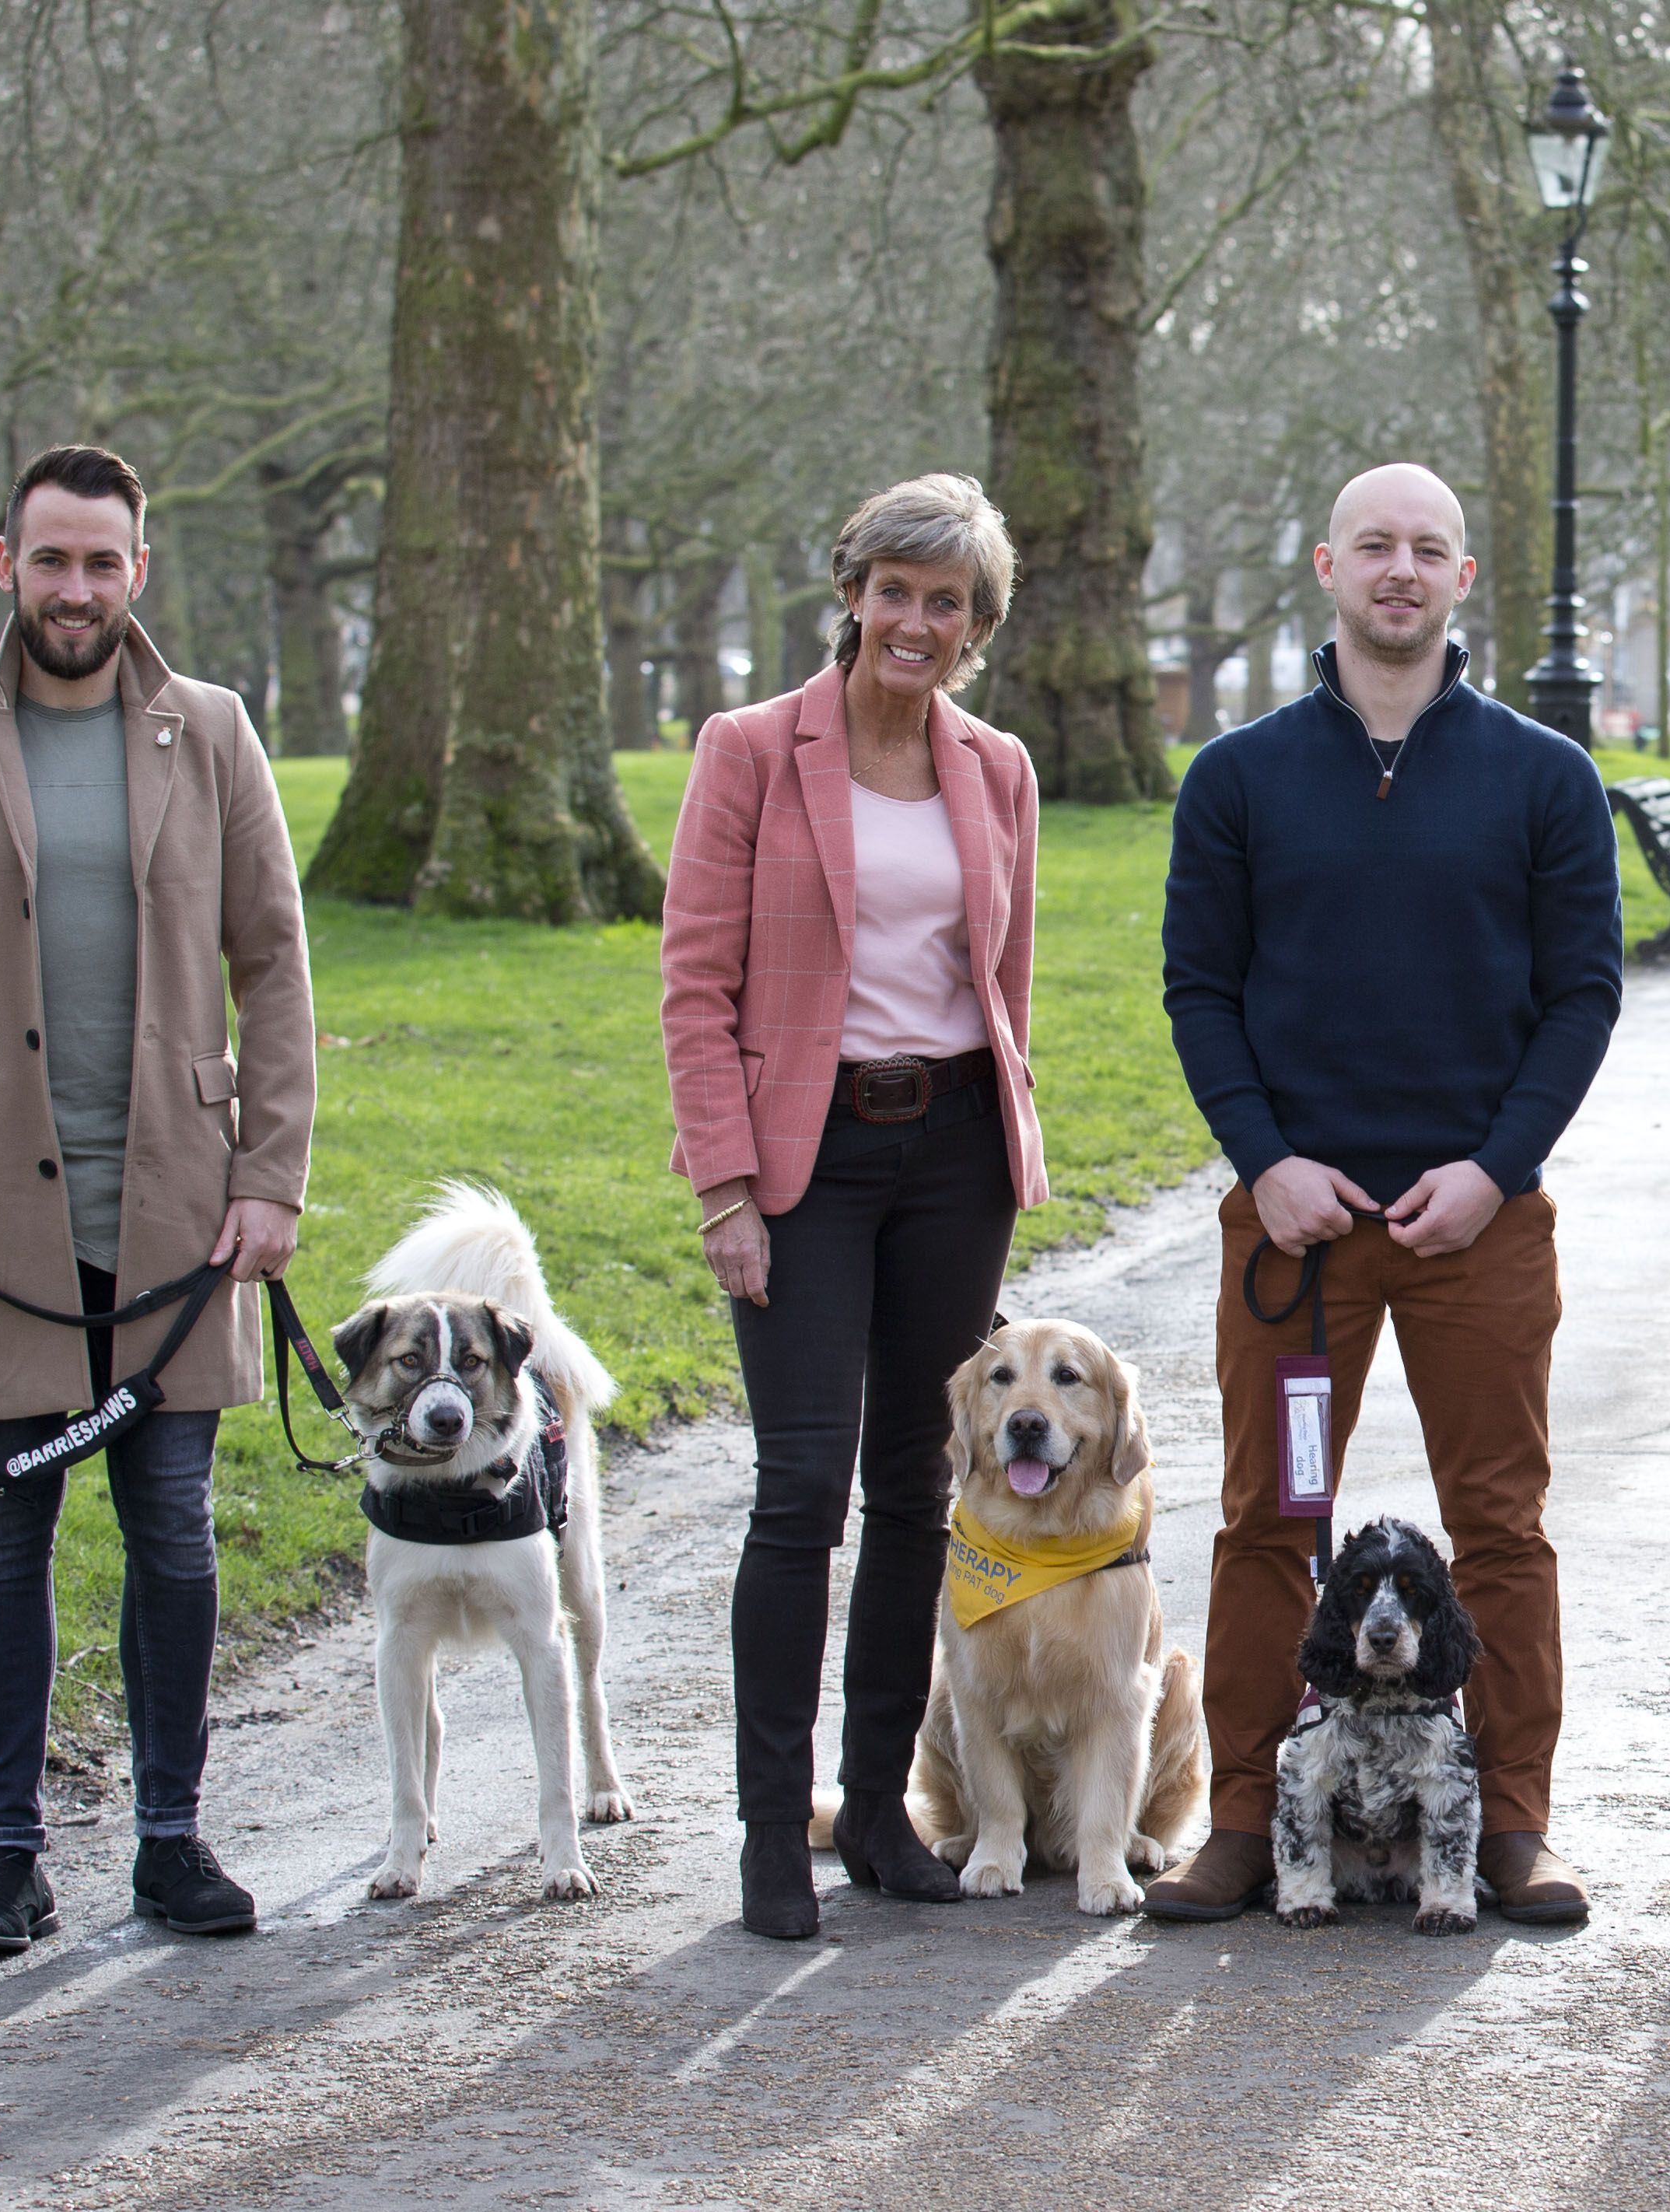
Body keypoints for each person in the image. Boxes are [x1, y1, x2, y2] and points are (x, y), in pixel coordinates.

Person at [0, 445, 314, 1962]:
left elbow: (275, 965)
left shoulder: (212, 734)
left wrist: (272, 1178)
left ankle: (172, 1841)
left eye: (103, 563)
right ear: (5, 566)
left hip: (173, 1208)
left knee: (172, 1531)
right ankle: (3, 1858)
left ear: (139, 572)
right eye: (52, 562)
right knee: (3, 1539)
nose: (77, 590)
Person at [1145, 462, 1623, 1926]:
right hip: (1302, 1233)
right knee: (1269, 1524)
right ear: (1327, 567)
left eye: (1428, 550)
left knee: (1501, 1524)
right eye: (1375, 547)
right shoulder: (1239, 777)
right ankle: (1241, 1819)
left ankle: (1515, 1824)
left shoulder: (1544, 777)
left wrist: (1496, 1171)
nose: (1400, 570)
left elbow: (1582, 999)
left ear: (1464, 580)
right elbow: (1200, 992)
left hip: (1476, 1225)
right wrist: (1265, 1163)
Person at [660, 474, 1048, 1941]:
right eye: (895, 590)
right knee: (801, 1490)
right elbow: (695, 984)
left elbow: (1000, 981)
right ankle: (774, 1832)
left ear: (975, 627)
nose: (916, 621)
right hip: (802, 1157)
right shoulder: (754, 751)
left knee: (913, 1495)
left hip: (950, 1154)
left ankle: (875, 1806)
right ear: (855, 594)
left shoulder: (994, 769)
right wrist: (726, 1188)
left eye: (946, 602)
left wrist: (1007, 1138)